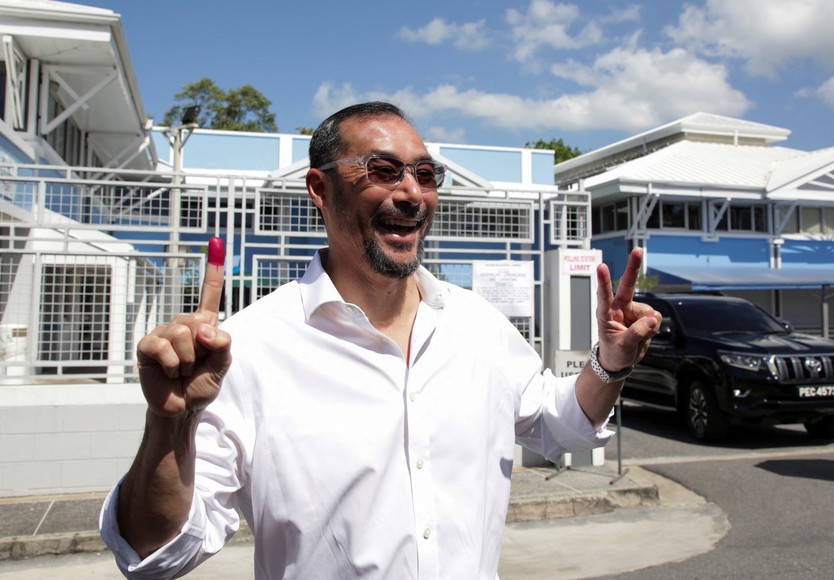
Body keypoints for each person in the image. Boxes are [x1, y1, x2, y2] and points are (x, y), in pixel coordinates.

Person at [100, 101, 661, 579]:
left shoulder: (478, 326)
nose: (412, 193)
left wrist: (609, 363)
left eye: (425, 174)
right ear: (320, 189)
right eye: (384, 170)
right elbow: (156, 552)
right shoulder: (247, 349)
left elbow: (558, 422)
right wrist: (168, 424)